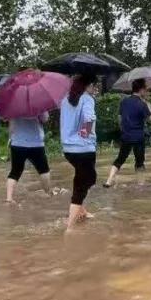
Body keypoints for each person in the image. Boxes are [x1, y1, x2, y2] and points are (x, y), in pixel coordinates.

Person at [61, 74, 98, 230]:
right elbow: (89, 119)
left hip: (68, 149)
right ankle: (70, 228)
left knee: (84, 178)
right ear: (87, 86)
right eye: (94, 85)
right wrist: (84, 134)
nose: (95, 89)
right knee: (83, 184)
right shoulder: (87, 99)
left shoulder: (65, 100)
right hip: (83, 148)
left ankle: (81, 211)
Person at [105, 79, 151, 187]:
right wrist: (149, 105)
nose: (146, 91)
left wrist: (123, 130)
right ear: (141, 90)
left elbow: (120, 118)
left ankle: (109, 181)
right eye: (145, 89)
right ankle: (141, 185)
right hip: (138, 137)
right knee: (139, 162)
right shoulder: (142, 104)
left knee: (120, 159)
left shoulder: (124, 101)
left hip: (126, 136)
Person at [5, 111, 51, 204]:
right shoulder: (39, 105)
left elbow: (11, 124)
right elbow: (45, 119)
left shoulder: (14, 106)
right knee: (43, 170)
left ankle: (9, 199)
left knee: (15, 172)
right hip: (36, 143)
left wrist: (10, 138)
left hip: (17, 143)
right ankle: (48, 193)